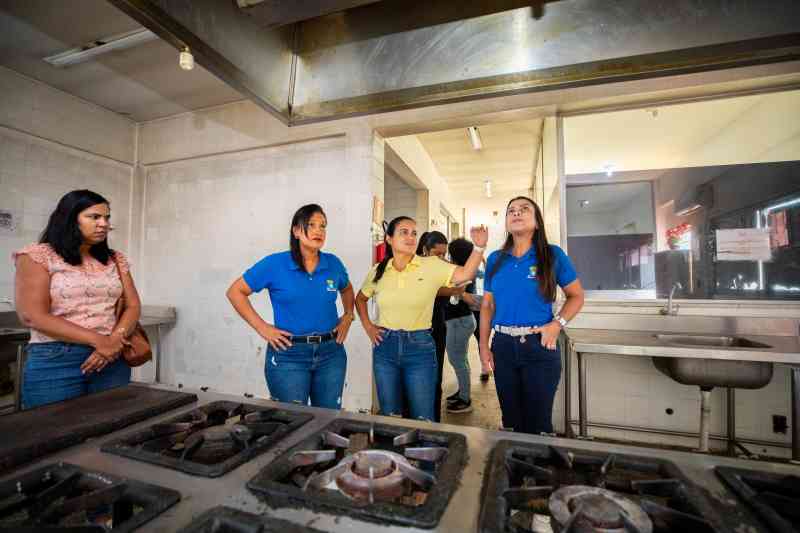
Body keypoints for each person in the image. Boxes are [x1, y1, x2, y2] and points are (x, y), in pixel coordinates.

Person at [14, 190, 141, 409]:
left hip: (112, 357)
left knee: (112, 429)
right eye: (94, 217)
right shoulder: (38, 255)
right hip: (57, 359)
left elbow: (133, 305)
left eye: (107, 218)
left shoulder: (115, 259)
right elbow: (32, 316)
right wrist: (100, 341)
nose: (104, 224)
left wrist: (113, 340)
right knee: (53, 432)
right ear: (70, 218)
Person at [356, 216, 488, 421]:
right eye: (404, 232)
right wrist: (369, 327)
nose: (410, 237)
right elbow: (360, 299)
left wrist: (479, 248)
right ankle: (394, 453)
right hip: (385, 347)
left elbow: (464, 274)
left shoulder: (431, 265)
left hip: (420, 348)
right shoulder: (378, 270)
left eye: (414, 233)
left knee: (423, 416)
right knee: (390, 414)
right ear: (389, 239)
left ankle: (422, 452)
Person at [226, 204, 354, 409]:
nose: (318, 230)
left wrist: (348, 315)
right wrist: (263, 327)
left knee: (329, 418)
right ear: (296, 230)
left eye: (323, 226)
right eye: (311, 225)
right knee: (291, 421)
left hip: (331, 354)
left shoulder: (333, 264)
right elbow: (235, 292)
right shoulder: (275, 264)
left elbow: (347, 289)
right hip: (289, 355)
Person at [479, 196, 584, 434]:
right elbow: (487, 306)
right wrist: (483, 346)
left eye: (524, 209)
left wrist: (557, 324)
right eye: (511, 211)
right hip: (503, 346)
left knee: (538, 423)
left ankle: (535, 470)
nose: (516, 213)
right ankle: (514, 469)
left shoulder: (552, 255)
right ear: (506, 222)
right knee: (511, 421)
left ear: (537, 222)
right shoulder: (496, 259)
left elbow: (576, 296)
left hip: (539, 345)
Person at [414, 231, 457, 422]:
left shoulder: (444, 268)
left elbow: (458, 282)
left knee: (435, 377)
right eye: (437, 253)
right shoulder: (414, 268)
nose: (441, 258)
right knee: (414, 378)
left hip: (438, 328)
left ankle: (434, 424)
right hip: (416, 330)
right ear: (425, 250)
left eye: (444, 254)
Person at [444, 238, 478, 414]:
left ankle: (465, 399)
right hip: (463, 320)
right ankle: (462, 392)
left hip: (459, 321)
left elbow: (459, 295)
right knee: (460, 359)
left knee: (457, 360)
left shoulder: (462, 273)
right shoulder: (466, 270)